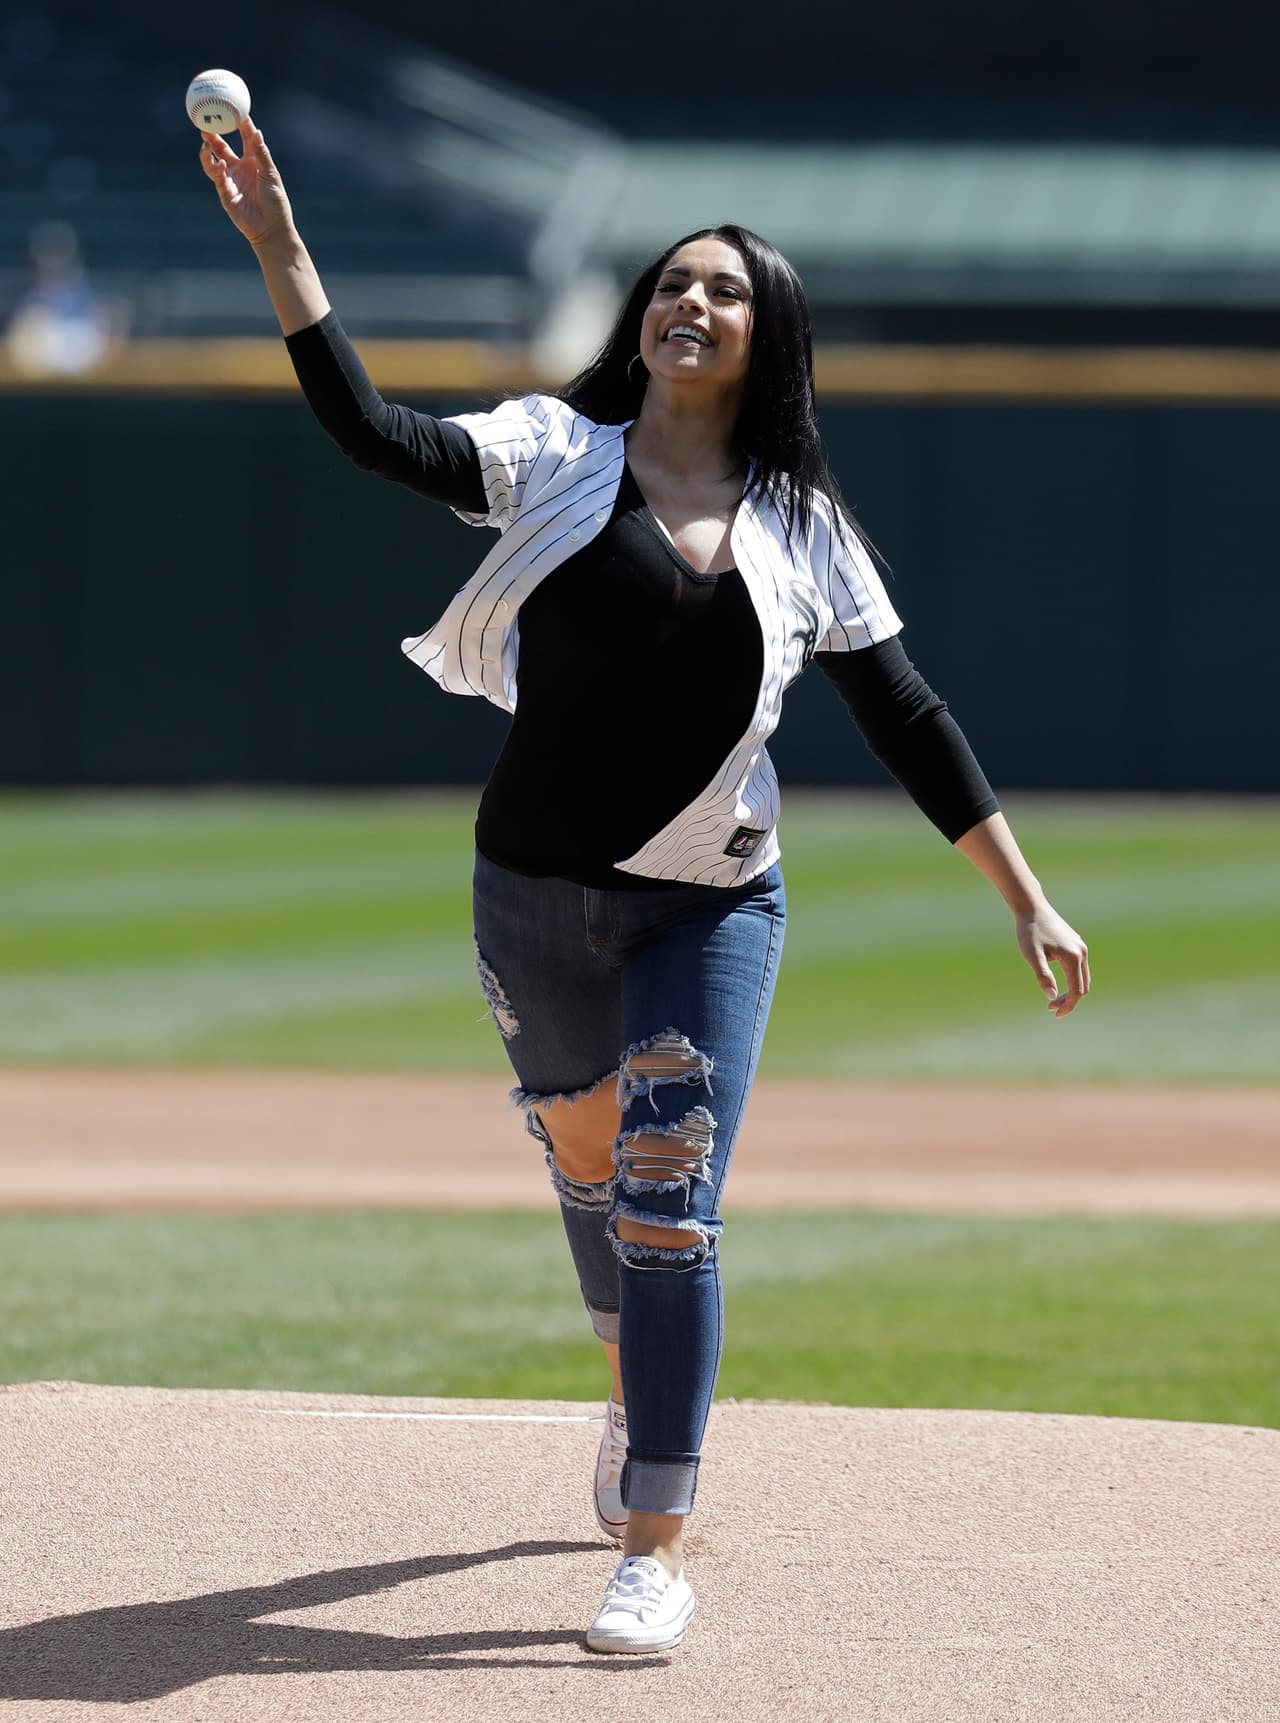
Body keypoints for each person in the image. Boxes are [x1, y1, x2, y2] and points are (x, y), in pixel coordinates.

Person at [199, 117, 1090, 1655]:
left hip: (711, 905)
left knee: (671, 1206)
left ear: (768, 335)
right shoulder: (556, 452)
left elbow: (909, 717)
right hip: (530, 895)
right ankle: (628, 1371)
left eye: (725, 293)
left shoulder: (807, 528)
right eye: (673, 283)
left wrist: (1025, 892)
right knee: (594, 1179)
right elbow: (370, 433)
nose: (691, 304)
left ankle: (653, 1540)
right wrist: (281, 244)